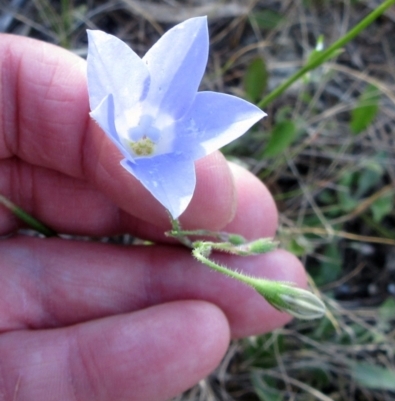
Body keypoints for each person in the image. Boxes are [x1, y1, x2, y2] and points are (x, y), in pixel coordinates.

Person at [0, 33, 307, 401]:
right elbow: (104, 96)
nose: (142, 147)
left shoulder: (170, 170)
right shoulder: (105, 117)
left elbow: (218, 128)